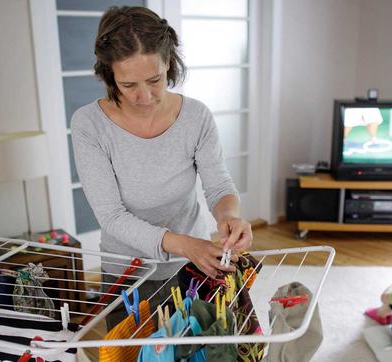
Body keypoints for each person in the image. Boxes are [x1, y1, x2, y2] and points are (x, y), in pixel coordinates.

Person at [71, 6, 252, 328]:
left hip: (195, 266)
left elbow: (219, 186)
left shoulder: (196, 116)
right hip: (129, 270)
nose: (144, 96)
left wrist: (230, 217)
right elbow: (112, 216)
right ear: (109, 74)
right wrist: (185, 244)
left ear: (169, 61)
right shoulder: (89, 124)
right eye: (128, 85)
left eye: (155, 80)